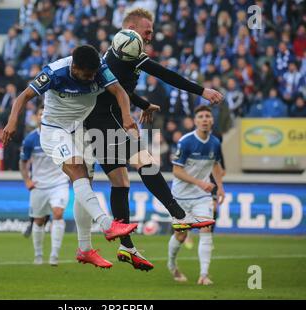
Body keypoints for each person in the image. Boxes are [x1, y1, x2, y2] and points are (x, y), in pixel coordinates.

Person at [84, 8, 223, 271]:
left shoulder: (116, 50)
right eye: (147, 30)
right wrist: (201, 90)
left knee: (120, 181)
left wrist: (143, 104)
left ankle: (126, 245)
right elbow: (166, 75)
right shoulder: (130, 49)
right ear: (132, 28)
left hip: (98, 121)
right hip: (108, 121)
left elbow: (118, 88)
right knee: (145, 162)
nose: (151, 35)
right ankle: (179, 214)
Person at [2, 45, 139, 269]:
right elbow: (23, 97)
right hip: (54, 130)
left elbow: (120, 92)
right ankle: (107, 224)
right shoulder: (54, 72)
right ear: (74, 67)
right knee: (78, 170)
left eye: (93, 74)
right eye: (86, 75)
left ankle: (84, 249)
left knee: (85, 184)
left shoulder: (100, 69)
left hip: (79, 130)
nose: (91, 78)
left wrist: (126, 116)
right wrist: (12, 121)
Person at [167, 105, 225, 286]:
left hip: (202, 196)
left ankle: (204, 274)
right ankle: (171, 264)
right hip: (181, 196)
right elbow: (177, 171)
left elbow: (216, 165)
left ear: (212, 120)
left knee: (205, 229)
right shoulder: (186, 142)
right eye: (201, 116)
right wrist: (200, 182)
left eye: (208, 116)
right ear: (195, 121)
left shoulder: (215, 143)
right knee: (181, 236)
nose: (205, 119)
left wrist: (220, 187)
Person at [19, 108, 69, 266]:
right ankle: (38, 255)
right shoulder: (30, 139)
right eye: (40, 113)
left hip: (59, 183)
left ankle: (54, 255)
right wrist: (27, 180)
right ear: (36, 117)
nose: (43, 116)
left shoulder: (60, 136)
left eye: (45, 113)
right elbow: (23, 162)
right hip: (39, 185)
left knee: (58, 213)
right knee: (39, 221)